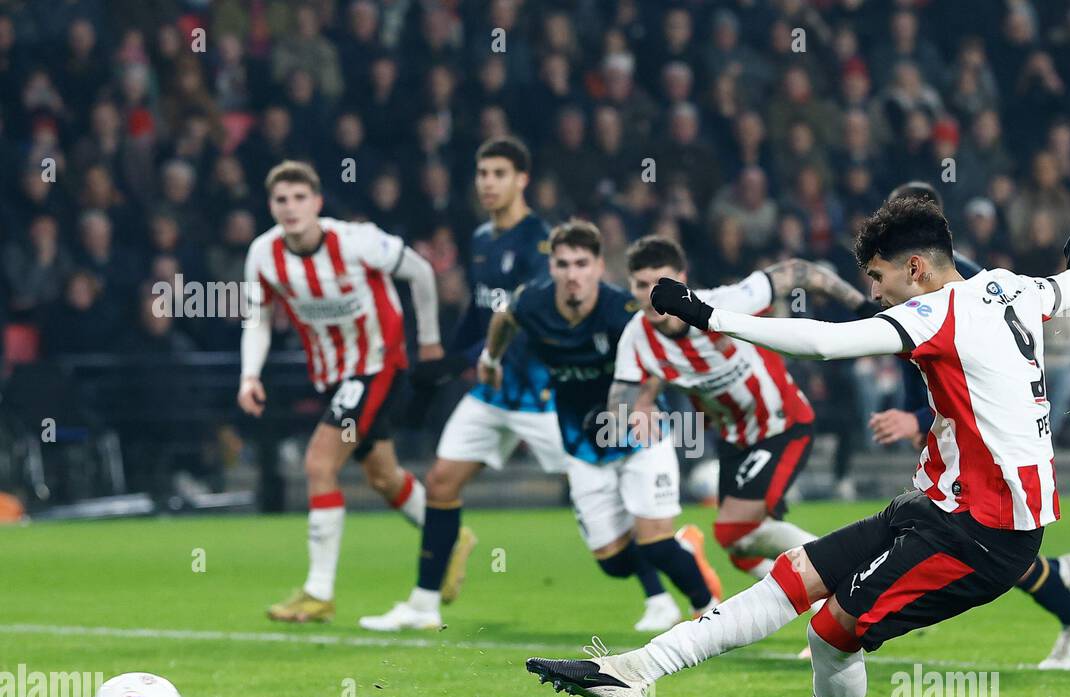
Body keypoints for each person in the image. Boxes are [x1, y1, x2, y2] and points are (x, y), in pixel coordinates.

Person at [525, 198, 1070, 697]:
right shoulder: (1013, 288)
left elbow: (823, 343)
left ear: (915, 269)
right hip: (939, 506)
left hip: (983, 533)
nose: (876, 294)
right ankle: (635, 670)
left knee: (831, 631)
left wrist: (709, 315)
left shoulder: (938, 312)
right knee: (790, 576)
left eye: (879, 278)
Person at [866, 182, 1070, 669]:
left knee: (970, 538)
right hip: (943, 422)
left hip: (970, 429)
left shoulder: (971, 283)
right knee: (953, 535)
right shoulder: (890, 276)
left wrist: (915, 419)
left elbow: (986, 374)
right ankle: (1063, 587)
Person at [360, 137, 566, 632]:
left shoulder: (543, 242)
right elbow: (481, 315)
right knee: (441, 482)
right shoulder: (480, 240)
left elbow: (528, 319)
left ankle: (672, 585)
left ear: (522, 180)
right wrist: (448, 361)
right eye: (482, 173)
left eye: (499, 173)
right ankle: (424, 603)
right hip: (491, 395)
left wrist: (470, 357)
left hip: (540, 393)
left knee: (599, 494)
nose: (488, 183)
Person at [486, 220, 723, 629]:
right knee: (613, 562)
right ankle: (682, 548)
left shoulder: (623, 311)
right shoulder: (533, 303)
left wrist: (646, 398)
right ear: (552, 267)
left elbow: (665, 348)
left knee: (655, 541)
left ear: (599, 266)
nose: (572, 274)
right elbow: (503, 318)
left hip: (639, 436)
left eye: (581, 263)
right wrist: (489, 360)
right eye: (563, 264)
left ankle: (710, 610)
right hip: (581, 444)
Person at [238, 160, 440, 622]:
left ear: (317, 202)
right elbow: (258, 318)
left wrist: (429, 342)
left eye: (299, 198)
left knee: (318, 462)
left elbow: (422, 272)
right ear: (271, 206)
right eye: (281, 200)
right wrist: (250, 375)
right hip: (334, 376)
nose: (290, 209)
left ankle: (318, 592)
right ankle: (447, 534)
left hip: (377, 366)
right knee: (384, 476)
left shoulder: (357, 241)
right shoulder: (263, 254)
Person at [613, 235, 866, 585]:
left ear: (682, 278)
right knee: (740, 550)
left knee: (734, 530)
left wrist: (861, 307)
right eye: (641, 285)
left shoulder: (727, 302)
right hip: (734, 440)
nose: (652, 294)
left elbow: (801, 272)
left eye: (661, 283)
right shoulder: (635, 338)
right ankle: (819, 593)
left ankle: (846, 574)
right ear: (630, 287)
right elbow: (622, 402)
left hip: (781, 425)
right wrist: (633, 412)